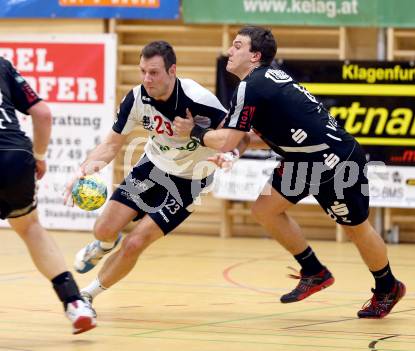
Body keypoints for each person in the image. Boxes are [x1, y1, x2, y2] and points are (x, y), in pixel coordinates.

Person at [174, 26, 406, 319]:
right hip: (301, 160)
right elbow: (243, 137)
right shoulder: (257, 83)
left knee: (356, 230)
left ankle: (388, 287)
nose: (229, 52)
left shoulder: (252, 85)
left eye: (237, 46)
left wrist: (193, 131)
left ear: (255, 55)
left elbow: (228, 138)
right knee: (264, 210)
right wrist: (231, 151)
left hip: (335, 161)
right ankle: (314, 271)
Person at [63, 41, 237, 307]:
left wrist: (202, 137)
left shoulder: (198, 99)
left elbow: (233, 136)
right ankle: (105, 245)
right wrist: (84, 169)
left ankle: (87, 296)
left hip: (190, 182)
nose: (147, 78)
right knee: (103, 229)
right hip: (153, 166)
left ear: (172, 71)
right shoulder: (136, 98)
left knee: (134, 243)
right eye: (143, 71)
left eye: (154, 72)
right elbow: (111, 144)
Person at [0, 57, 96, 334]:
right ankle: (75, 302)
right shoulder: (2, 65)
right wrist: (39, 157)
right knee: (30, 228)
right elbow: (42, 113)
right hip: (16, 156)